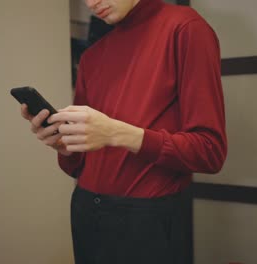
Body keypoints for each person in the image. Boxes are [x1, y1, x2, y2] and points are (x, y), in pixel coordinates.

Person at [20, 0, 227, 263]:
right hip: (85, 209)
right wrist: (65, 147)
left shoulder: (185, 28)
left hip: (148, 216)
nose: (91, 3)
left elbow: (210, 151)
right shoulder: (92, 57)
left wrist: (117, 134)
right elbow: (79, 165)